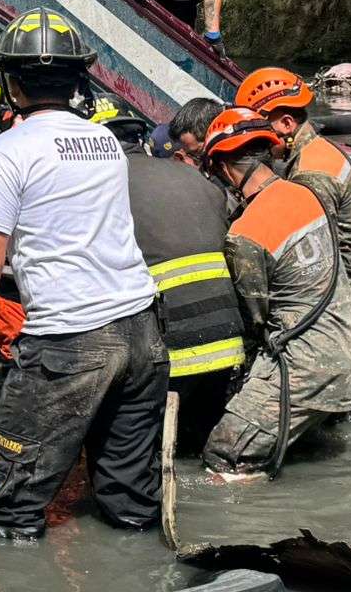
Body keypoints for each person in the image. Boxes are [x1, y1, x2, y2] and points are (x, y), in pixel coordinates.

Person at [0, 8, 167, 540]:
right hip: (142, 329)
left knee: (12, 501)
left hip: (71, 338)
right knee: (128, 498)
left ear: (11, 82)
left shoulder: (8, 150)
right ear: (78, 79)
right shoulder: (105, 144)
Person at [197, 108, 351, 478]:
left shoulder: (247, 234)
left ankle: (253, 528)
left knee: (225, 454)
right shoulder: (306, 194)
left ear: (223, 168)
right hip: (344, 354)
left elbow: (253, 321)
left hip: (303, 367)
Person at [235, 67, 351, 416]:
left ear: (284, 124)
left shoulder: (312, 174)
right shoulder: (320, 153)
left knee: (329, 415)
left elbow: (309, 257)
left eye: (260, 128)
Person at [94, 102, 246, 452]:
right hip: (230, 343)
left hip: (171, 352)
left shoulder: (102, 189)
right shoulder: (194, 176)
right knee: (207, 447)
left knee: (151, 452)